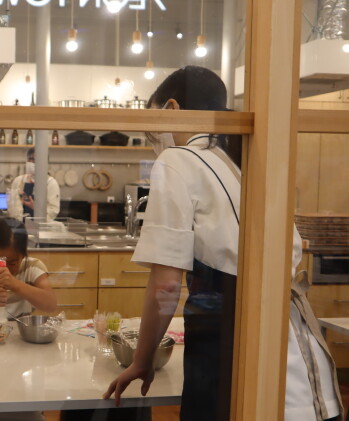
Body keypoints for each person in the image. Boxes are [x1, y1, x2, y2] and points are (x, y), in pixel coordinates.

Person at [102, 66, 343, 421]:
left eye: (152, 124)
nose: (154, 139)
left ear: (172, 109)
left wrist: (141, 360)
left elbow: (165, 285)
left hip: (236, 355)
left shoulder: (178, 160)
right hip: (303, 367)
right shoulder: (246, 155)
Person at [8, 147, 60, 221]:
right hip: (19, 225)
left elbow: (53, 211)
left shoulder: (51, 183)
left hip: (40, 225)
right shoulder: (18, 180)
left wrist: (35, 207)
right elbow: (11, 205)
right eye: (30, 159)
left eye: (35, 160)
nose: (31, 162)